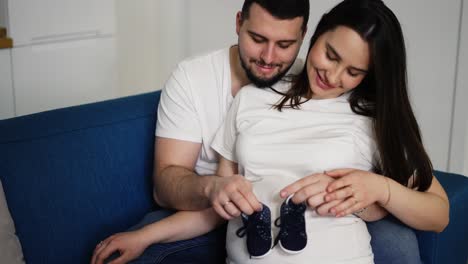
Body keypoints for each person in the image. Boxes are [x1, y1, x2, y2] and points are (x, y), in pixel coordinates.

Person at [91, 0, 439, 263]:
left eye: (354, 71)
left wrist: (378, 189)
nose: (333, 77)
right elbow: (221, 204)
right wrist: (145, 236)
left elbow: (437, 213)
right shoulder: (250, 99)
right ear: (315, 38)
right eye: (331, 55)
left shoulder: (369, 116)